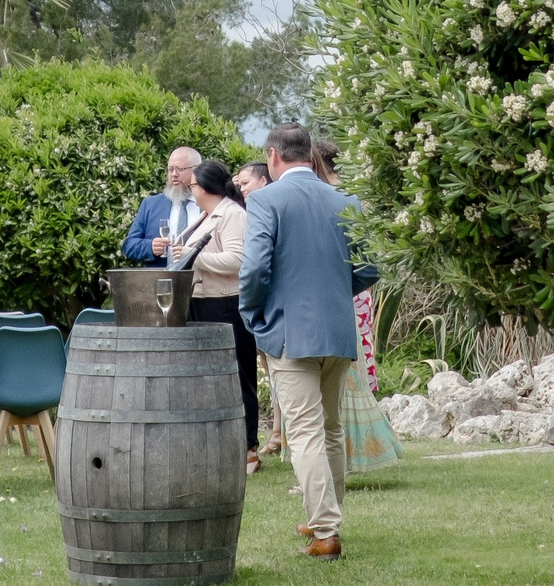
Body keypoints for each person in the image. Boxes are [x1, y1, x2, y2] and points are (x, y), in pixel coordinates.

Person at [238, 122, 377, 561]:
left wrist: (252, 313)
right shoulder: (344, 199)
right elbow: (371, 267)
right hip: (337, 330)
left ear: (274, 156)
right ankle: (325, 516)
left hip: (289, 332)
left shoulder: (265, 200)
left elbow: (256, 267)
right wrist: (335, 292)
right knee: (331, 430)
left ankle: (325, 530)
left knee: (304, 433)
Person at [312, 139, 401, 476]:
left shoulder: (333, 198)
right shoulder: (351, 195)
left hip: (340, 295)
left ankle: (341, 457)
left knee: (341, 381)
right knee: (352, 376)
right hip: (355, 292)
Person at [169, 160, 259, 471]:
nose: (189, 190)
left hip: (225, 303)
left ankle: (249, 447)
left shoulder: (232, 214)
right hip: (200, 300)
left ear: (205, 188)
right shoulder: (206, 216)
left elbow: (238, 260)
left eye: (192, 185)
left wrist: (195, 257)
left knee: (238, 374)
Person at [120, 146, 201, 266]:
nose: (174, 174)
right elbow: (128, 245)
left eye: (180, 169)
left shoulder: (208, 205)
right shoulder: (151, 205)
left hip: (200, 280)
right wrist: (149, 246)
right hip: (161, 280)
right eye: (170, 169)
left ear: (196, 170)